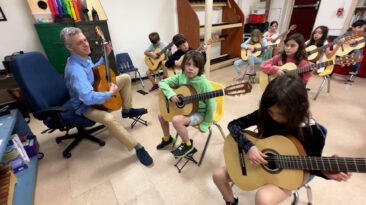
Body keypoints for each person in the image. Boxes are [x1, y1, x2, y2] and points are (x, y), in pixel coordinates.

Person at [212, 74, 352, 205]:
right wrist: (249, 147)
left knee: (262, 198)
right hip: (257, 165)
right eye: (270, 112)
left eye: (280, 114)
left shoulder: (313, 132)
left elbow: (310, 166)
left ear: (297, 110)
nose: (273, 117)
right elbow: (233, 125)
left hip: (290, 174)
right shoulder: (266, 114)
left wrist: (324, 172)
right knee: (217, 175)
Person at [60, 27, 153, 166]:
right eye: (80, 43)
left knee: (126, 77)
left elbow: (94, 71)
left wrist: (105, 56)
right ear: (69, 47)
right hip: (85, 106)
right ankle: (137, 147)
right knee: (108, 118)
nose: (85, 44)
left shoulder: (84, 58)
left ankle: (127, 110)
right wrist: (110, 93)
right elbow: (87, 98)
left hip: (95, 90)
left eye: (85, 40)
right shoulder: (75, 70)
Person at [156, 50, 215, 158]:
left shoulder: (203, 83)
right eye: (188, 64)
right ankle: (168, 139)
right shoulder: (181, 76)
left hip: (199, 113)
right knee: (161, 115)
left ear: (200, 68)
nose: (190, 68)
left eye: (195, 66)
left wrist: (206, 122)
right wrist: (171, 94)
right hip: (185, 109)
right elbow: (162, 82)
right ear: (183, 65)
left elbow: (211, 104)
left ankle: (188, 145)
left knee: (176, 120)